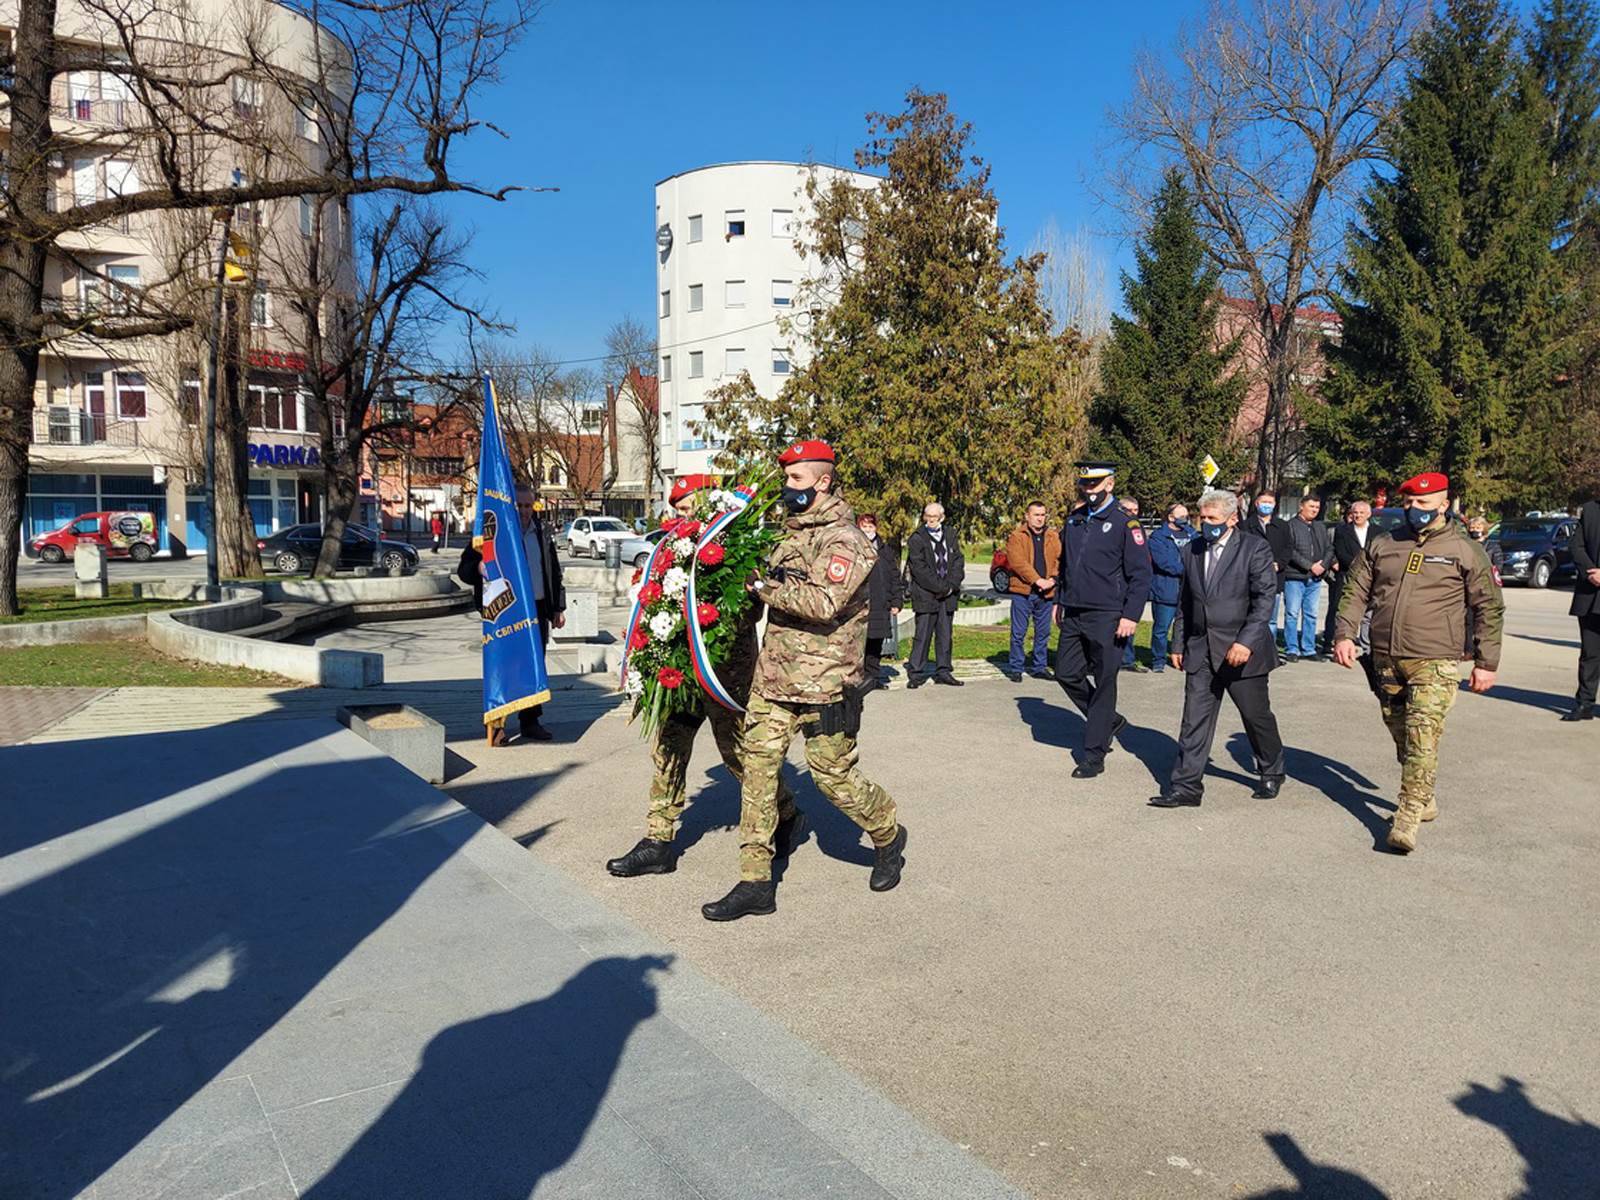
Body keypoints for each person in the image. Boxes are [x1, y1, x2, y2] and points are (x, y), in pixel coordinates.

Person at [702, 439, 906, 922]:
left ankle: (887, 832)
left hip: (826, 685)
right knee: (757, 771)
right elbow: (759, 593)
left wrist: (762, 586)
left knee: (833, 778)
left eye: (796, 478)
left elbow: (823, 603)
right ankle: (755, 882)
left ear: (823, 482)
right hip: (774, 679)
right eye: (786, 477)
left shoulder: (846, 540)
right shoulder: (785, 534)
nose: (787, 486)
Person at [605, 475, 802, 878]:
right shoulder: (668, 549)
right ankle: (658, 840)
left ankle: (786, 812)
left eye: (687, 507)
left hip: (724, 673)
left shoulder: (739, 546)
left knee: (740, 758)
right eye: (677, 509)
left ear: (708, 504)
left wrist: (708, 609)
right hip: (677, 671)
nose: (681, 515)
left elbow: (752, 608)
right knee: (668, 749)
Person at [1333, 472, 1503, 854]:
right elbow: (1355, 589)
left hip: (1435, 659)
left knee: (1422, 734)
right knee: (1401, 733)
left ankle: (1407, 816)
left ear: (1443, 504)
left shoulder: (1464, 549)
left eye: (1423, 503)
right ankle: (1424, 796)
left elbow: (1489, 607)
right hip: (1385, 656)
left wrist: (1486, 662)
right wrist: (1344, 635)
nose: (1414, 509)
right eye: (1409, 503)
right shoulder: (1384, 543)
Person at [1150, 489, 1285, 807]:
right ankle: (1186, 786)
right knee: (1194, 719)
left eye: (1213, 518)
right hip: (1201, 649)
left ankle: (1271, 769)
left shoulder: (1254, 548)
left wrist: (1245, 641)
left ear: (1232, 519)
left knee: (1255, 716)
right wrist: (1178, 642)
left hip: (1241, 652)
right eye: (1202, 518)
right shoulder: (1192, 549)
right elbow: (1186, 601)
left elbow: (1264, 600)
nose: (1206, 524)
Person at [1053, 461, 1152, 779]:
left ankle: (1094, 754)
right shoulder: (1075, 520)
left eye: (1094, 483)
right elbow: (1066, 565)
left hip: (1109, 615)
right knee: (1066, 673)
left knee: (1105, 681)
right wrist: (1059, 600)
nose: (1088, 489)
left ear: (1110, 484)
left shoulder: (1126, 524)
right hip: (1074, 611)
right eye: (1084, 484)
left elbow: (1141, 574)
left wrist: (1131, 615)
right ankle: (1108, 720)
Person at [490, 487, 565, 746]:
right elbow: (465, 569)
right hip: (508, 612)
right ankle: (497, 724)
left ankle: (530, 722)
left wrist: (558, 608)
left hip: (538, 608)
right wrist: (479, 567)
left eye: (527, 506)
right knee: (505, 667)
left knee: (533, 666)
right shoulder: (497, 532)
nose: (523, 511)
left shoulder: (542, 532)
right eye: (519, 505)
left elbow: (553, 571)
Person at [904, 502, 965, 688]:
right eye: (927, 516)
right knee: (922, 636)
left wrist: (951, 585)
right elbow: (919, 568)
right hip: (926, 594)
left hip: (948, 595)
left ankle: (943, 671)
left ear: (942, 517)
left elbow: (958, 560)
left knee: (945, 635)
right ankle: (915, 673)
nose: (930, 520)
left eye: (934, 517)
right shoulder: (917, 538)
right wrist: (941, 587)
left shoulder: (950, 534)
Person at [1002, 501, 1061, 682]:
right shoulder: (1017, 536)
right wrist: (1037, 580)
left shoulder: (1053, 536)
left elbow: (1059, 560)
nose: (1040, 518)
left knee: (1043, 633)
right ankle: (1016, 668)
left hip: (1046, 592)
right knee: (1018, 633)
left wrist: (1052, 580)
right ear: (1027, 516)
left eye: (1043, 515)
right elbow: (1018, 563)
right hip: (1023, 592)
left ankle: (1039, 667)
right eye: (1036, 515)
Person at [1281, 494, 1333, 662]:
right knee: (1292, 614)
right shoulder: (1290, 526)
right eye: (1311, 506)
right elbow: (1290, 551)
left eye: (1317, 507)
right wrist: (1309, 566)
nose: (1314, 510)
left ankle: (1308, 648)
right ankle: (1292, 649)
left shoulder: (1320, 527)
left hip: (1316, 579)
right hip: (1295, 577)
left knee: (1311, 614)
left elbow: (1329, 549)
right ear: (1301, 506)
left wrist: (1323, 565)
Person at [1146, 502, 1194, 675]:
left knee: (1186, 628)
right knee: (1161, 629)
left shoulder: (1192, 534)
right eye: (1181, 516)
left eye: (1186, 515)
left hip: (1188, 590)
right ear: (1171, 517)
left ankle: (1183, 657)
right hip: (1166, 589)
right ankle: (1158, 660)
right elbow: (1163, 562)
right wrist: (1188, 570)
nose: (1185, 518)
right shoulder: (1158, 537)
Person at [1323, 500, 1377, 653]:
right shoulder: (1342, 531)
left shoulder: (1378, 532)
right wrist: (1359, 566)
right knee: (1338, 608)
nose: (1358, 515)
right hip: (1346, 575)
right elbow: (1340, 552)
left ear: (1368, 514)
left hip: (1371, 577)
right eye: (1355, 513)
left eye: (1361, 513)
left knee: (1369, 614)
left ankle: (1367, 646)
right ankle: (1331, 641)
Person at [856, 512, 902, 689]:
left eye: (871, 526)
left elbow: (894, 577)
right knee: (860, 644)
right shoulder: (854, 548)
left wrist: (896, 601)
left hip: (880, 604)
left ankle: (873, 678)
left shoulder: (885, 550)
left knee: (876, 644)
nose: (868, 530)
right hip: (860, 604)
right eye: (864, 526)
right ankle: (858, 679)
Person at [1241, 490, 1290, 648]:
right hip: (1251, 577)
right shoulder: (1246, 526)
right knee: (1251, 616)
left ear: (1275, 505)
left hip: (1274, 578)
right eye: (1264, 502)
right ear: (1256, 503)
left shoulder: (1282, 526)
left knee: (1271, 619)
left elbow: (1288, 548)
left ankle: (1269, 650)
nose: (1266, 505)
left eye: (1270, 502)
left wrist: (1279, 564)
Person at [1565, 497, 1600, 721]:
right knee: (1590, 654)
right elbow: (1576, 546)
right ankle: (1584, 704)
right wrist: (1590, 571)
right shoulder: (1590, 510)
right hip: (1591, 594)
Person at [1119, 497, 1144, 671]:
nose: (1133, 514)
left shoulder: (1136, 527)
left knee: (1128, 621)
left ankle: (1127, 659)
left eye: (1136, 511)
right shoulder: (1118, 526)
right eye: (1130, 510)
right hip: (1115, 584)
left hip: (1130, 584)